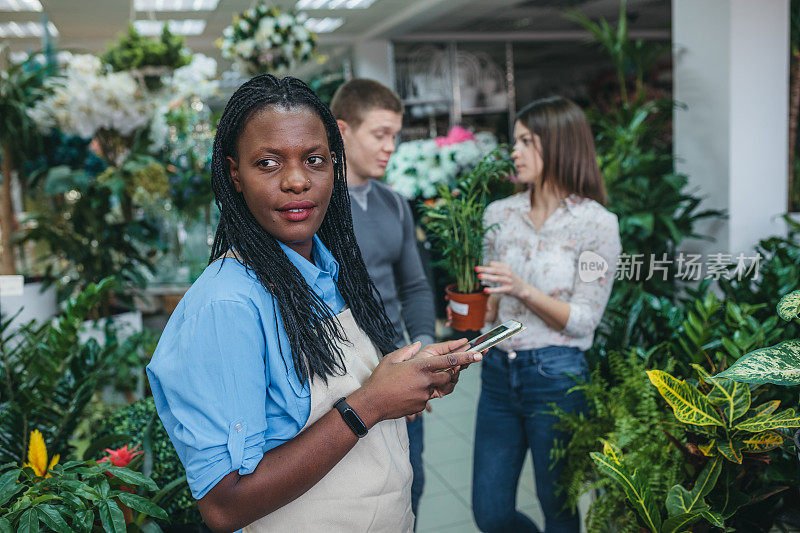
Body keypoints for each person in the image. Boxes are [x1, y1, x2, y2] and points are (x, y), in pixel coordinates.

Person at [146, 74, 481, 533]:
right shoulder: (228, 305)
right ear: (234, 174)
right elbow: (224, 507)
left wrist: (408, 378)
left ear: (335, 166)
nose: (297, 181)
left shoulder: (332, 271)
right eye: (267, 163)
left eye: (314, 160)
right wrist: (371, 403)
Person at [470, 96, 621, 532]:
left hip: (556, 377)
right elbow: (492, 304)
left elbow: (583, 319)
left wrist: (523, 289)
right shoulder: (498, 214)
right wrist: (473, 318)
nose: (513, 152)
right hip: (498, 375)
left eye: (525, 141)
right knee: (490, 511)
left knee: (558, 508)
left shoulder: (597, 224)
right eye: (514, 141)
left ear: (558, 146)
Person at [330, 78, 437, 519]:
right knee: (356, 497)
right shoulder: (314, 208)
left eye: (395, 135)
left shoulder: (394, 204)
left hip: (400, 366)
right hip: (345, 378)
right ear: (342, 132)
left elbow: (413, 287)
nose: (390, 146)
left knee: (410, 481)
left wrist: (423, 350)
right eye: (380, 134)